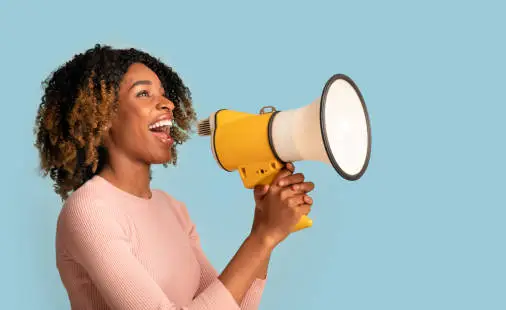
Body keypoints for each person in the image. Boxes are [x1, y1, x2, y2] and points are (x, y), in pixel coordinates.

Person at [33, 44, 315, 309]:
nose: (167, 103)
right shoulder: (89, 211)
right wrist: (262, 237)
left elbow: (235, 305)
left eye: (164, 93)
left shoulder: (172, 209)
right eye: (144, 93)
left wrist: (266, 224)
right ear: (101, 117)